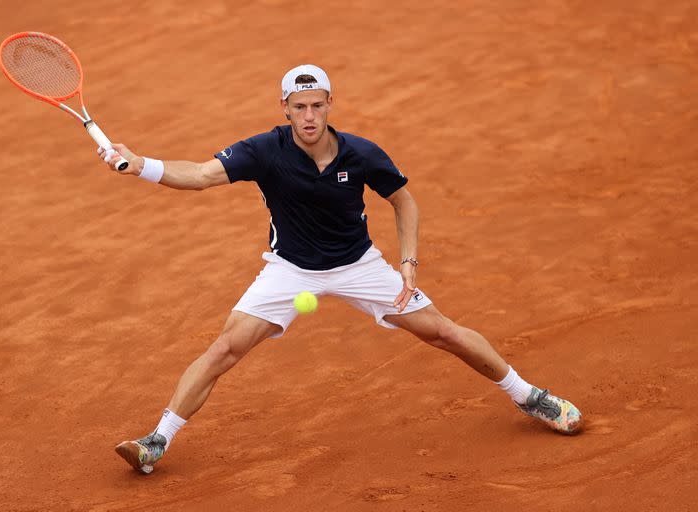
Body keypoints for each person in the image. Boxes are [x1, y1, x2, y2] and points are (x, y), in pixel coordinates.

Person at [99, 64, 582, 475]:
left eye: (317, 105)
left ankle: (526, 395)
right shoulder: (264, 150)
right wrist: (140, 164)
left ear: (330, 104)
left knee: (443, 333)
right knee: (225, 348)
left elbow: (404, 202)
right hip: (290, 269)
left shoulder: (361, 154)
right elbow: (202, 175)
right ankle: (157, 441)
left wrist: (409, 262)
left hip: (359, 266)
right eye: (299, 106)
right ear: (284, 107)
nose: (309, 116)